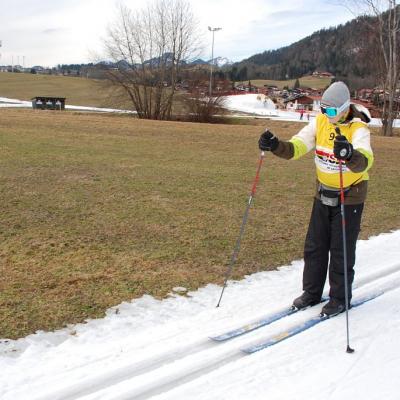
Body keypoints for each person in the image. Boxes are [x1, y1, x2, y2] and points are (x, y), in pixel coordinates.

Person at [258, 81, 374, 316]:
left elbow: (365, 160)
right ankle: (311, 293)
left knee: (340, 249)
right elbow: (297, 146)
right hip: (323, 193)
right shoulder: (320, 122)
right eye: (323, 108)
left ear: (344, 108)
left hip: (349, 196)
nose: (326, 114)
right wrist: (275, 146)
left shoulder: (358, 129)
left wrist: (349, 154)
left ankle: (340, 299)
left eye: (331, 111)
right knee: (315, 246)